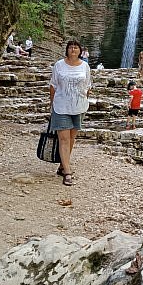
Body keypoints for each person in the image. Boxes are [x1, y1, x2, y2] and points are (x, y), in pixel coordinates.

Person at [49, 40, 92, 186]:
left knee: (72, 138)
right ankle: (67, 172)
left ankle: (62, 165)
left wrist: (84, 101)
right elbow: (53, 85)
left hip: (79, 107)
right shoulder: (59, 65)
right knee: (64, 139)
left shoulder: (85, 66)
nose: (73, 49)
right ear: (66, 50)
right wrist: (52, 104)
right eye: (70, 47)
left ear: (80, 51)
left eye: (76, 47)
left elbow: (88, 85)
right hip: (61, 106)